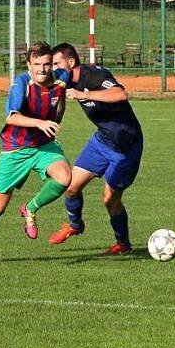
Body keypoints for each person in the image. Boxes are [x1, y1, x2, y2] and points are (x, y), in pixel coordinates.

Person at [0, 42, 72, 267]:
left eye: (47, 64)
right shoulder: (22, 83)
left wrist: (57, 115)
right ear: (29, 65)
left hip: (43, 146)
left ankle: (30, 208)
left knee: (64, 177)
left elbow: (62, 95)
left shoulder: (61, 77)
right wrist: (41, 122)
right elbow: (11, 117)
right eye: (37, 64)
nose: (42, 69)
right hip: (16, 149)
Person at [48, 43, 143, 255]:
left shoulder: (94, 75)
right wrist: (54, 123)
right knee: (70, 186)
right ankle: (74, 225)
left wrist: (85, 94)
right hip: (101, 142)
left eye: (57, 63)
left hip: (126, 147)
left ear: (71, 62)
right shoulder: (64, 82)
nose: (53, 69)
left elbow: (120, 94)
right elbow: (61, 103)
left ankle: (123, 244)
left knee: (110, 200)